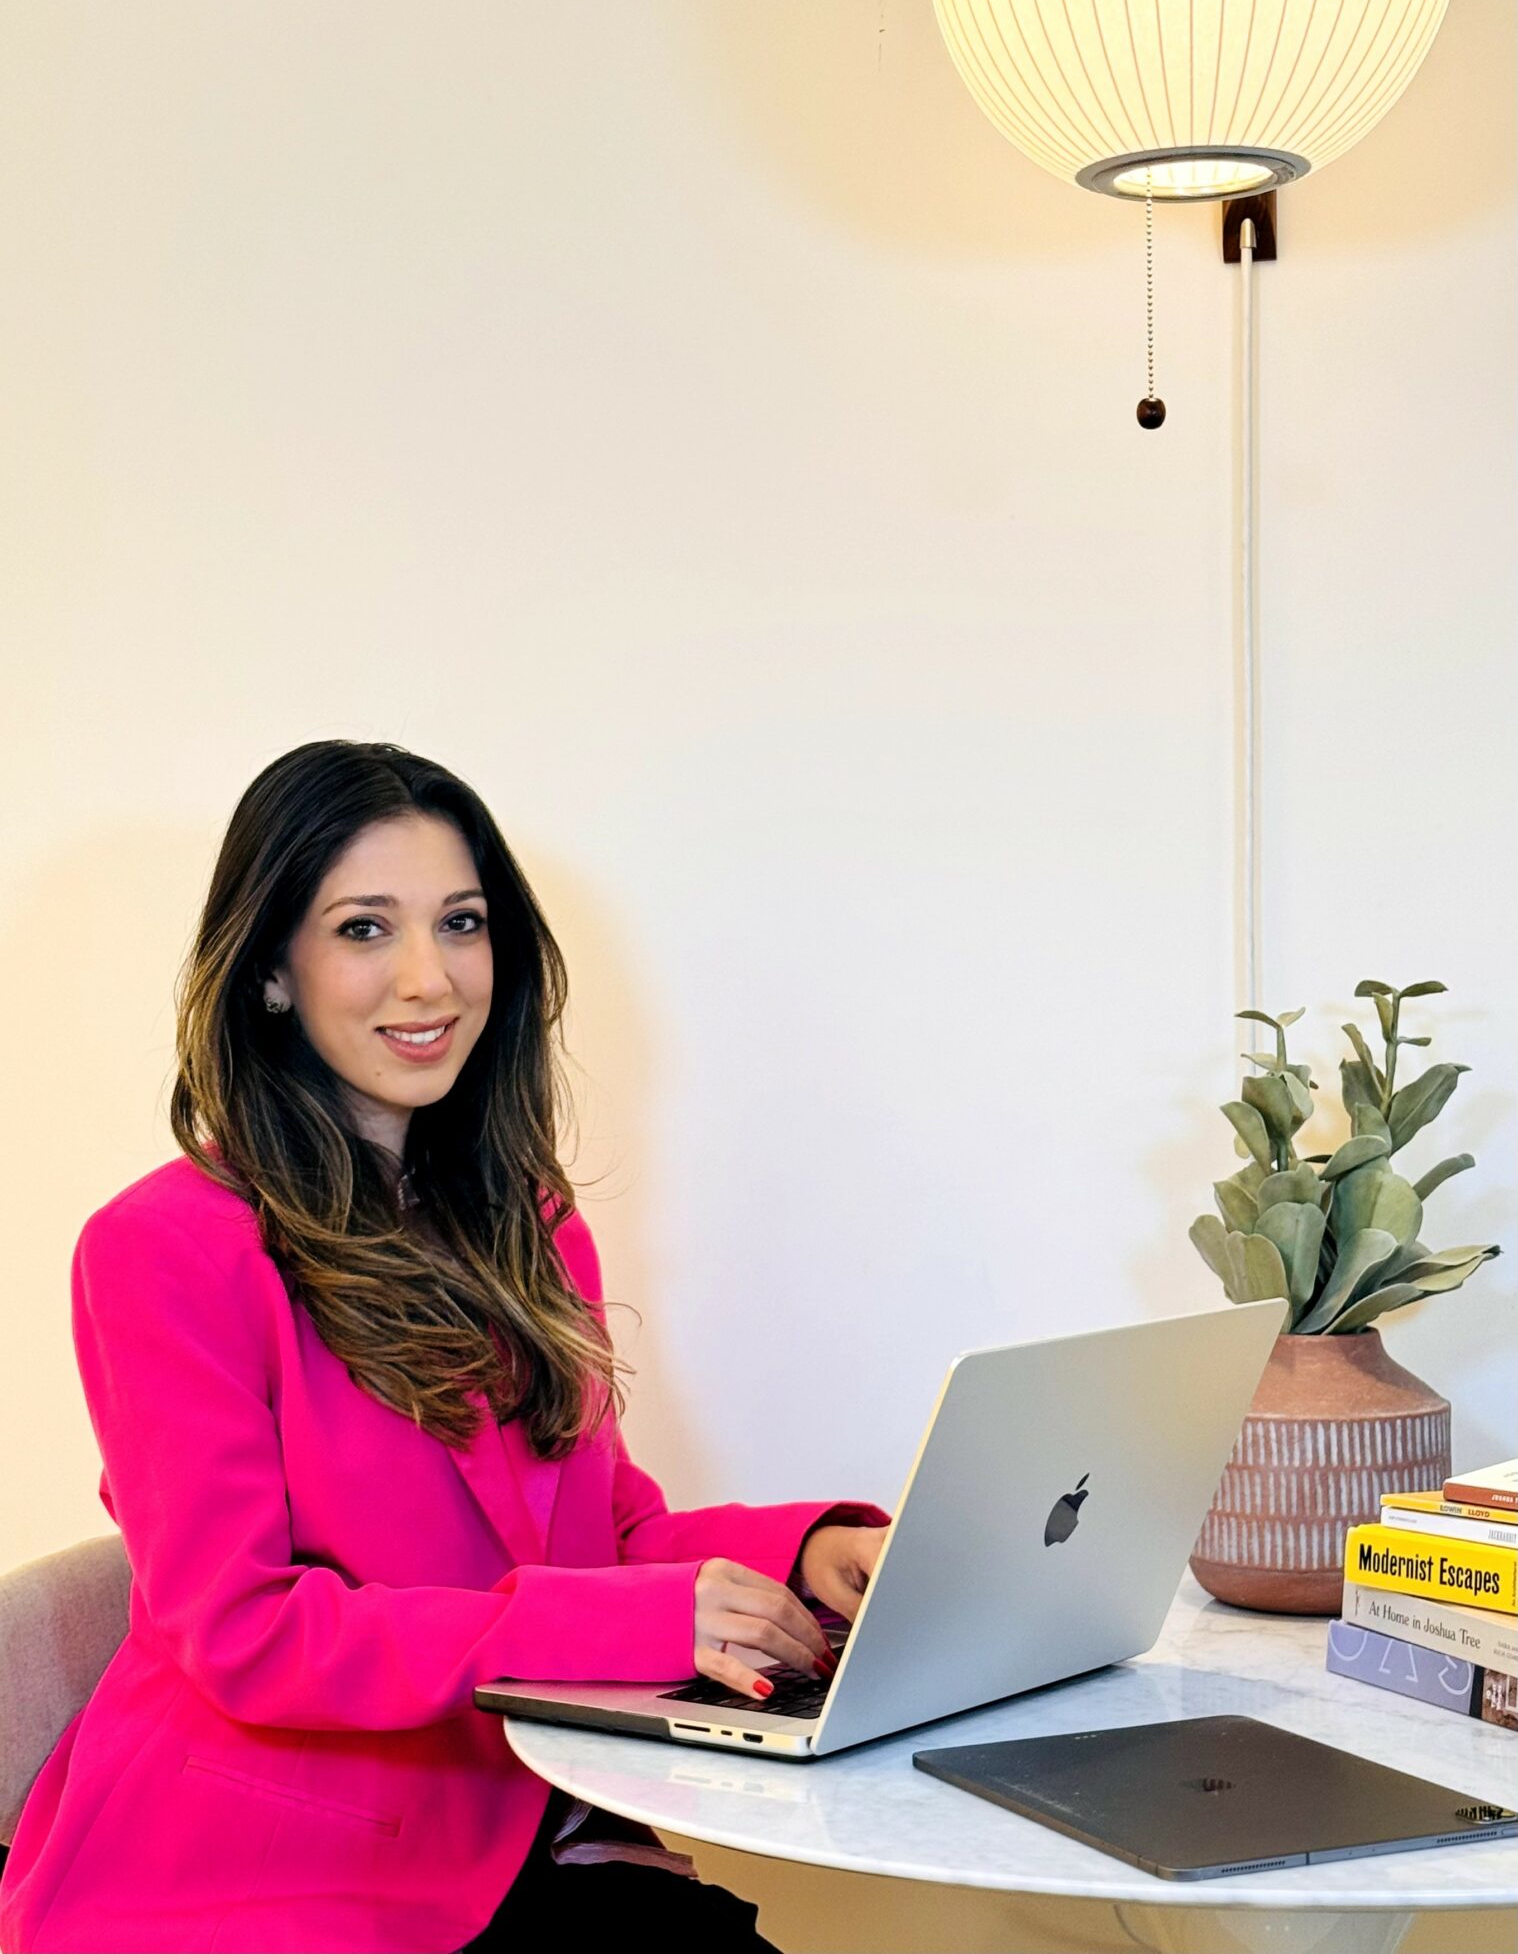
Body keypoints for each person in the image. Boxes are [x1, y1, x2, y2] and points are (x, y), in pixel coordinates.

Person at [0, 741, 890, 1954]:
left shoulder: (532, 1220)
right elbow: (248, 1632)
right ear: (271, 967)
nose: (429, 978)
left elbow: (599, 1535)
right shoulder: (162, 1247)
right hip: (263, 1867)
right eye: (365, 927)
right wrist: (640, 1623)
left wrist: (804, 1555)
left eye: (460, 922)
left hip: (518, 1820)